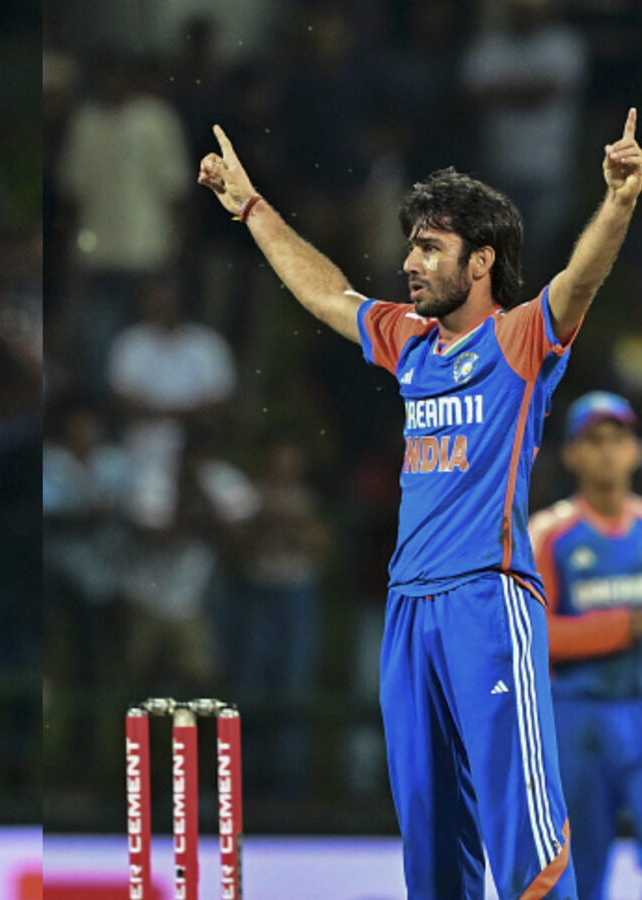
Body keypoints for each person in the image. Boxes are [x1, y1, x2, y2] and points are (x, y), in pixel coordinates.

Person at [198, 106, 642, 896]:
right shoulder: (408, 340)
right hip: (409, 611)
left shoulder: (521, 342)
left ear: (481, 263)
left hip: (487, 599)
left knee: (523, 835)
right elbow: (328, 294)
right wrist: (252, 208)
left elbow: (581, 282)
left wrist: (616, 203)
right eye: (413, 245)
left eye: (430, 248)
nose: (410, 262)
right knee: (432, 846)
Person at [530, 391, 642, 900]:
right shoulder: (550, 534)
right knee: (581, 870)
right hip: (576, 716)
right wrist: (625, 627)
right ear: (571, 454)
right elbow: (535, 636)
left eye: (618, 440)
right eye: (593, 441)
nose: (607, 452)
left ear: (635, 451)